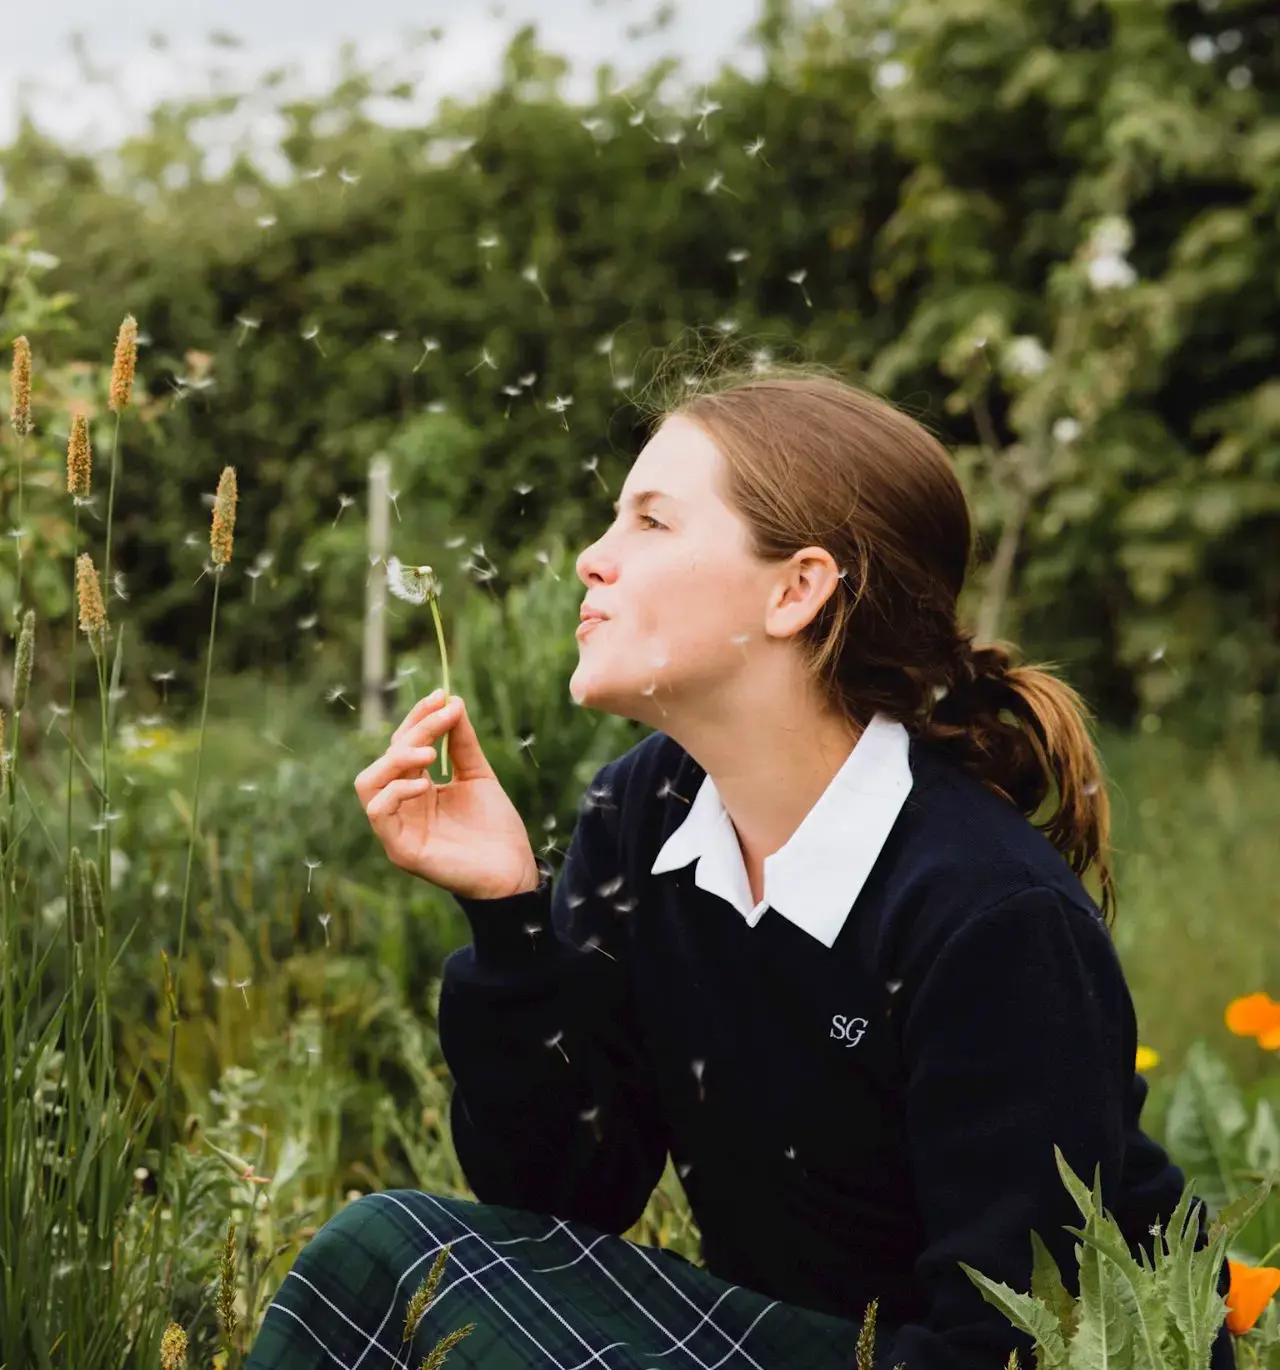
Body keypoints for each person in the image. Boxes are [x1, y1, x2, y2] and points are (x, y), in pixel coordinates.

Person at [250, 374, 1227, 1370]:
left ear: (795, 588)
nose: (593, 558)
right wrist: (507, 914)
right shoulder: (642, 812)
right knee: (387, 1260)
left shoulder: (988, 916)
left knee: (391, 1251)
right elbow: (557, 1201)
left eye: (650, 521)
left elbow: (1021, 1341)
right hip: (786, 1338)